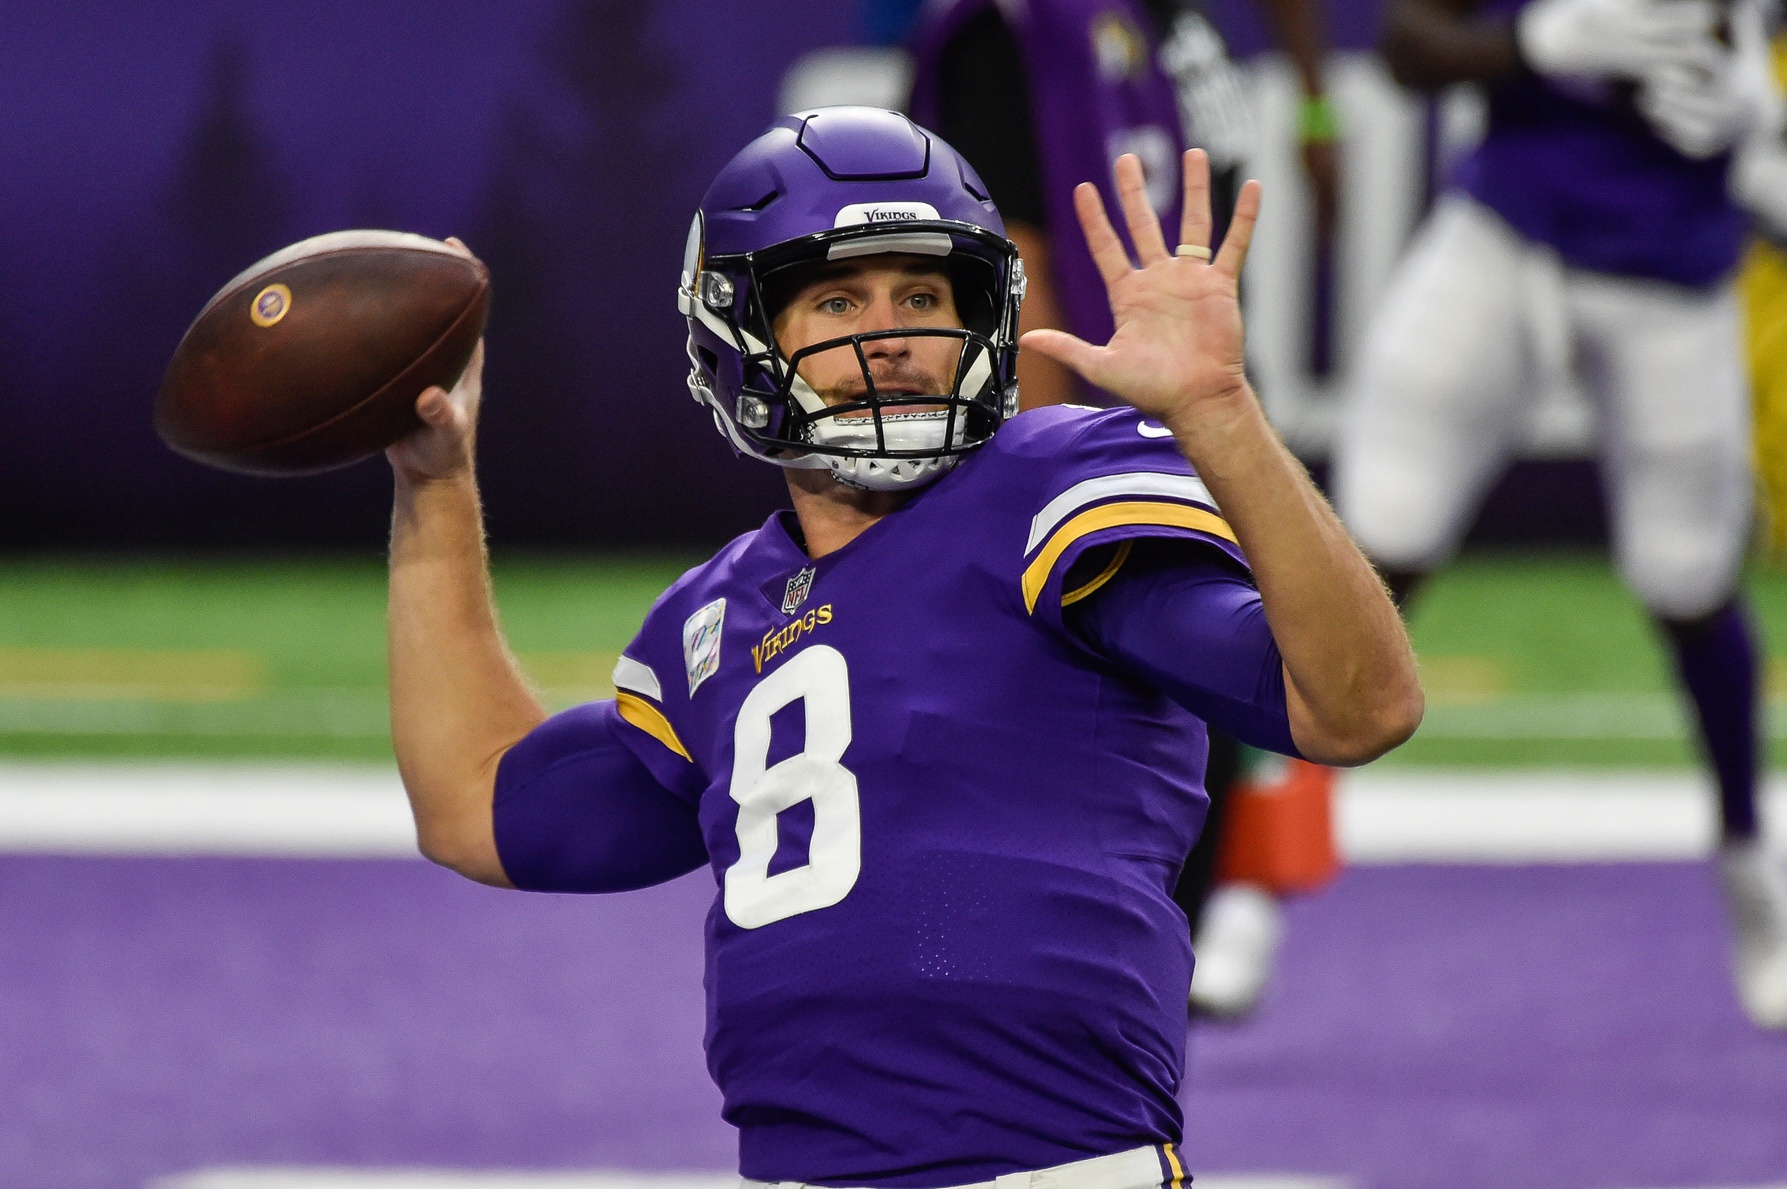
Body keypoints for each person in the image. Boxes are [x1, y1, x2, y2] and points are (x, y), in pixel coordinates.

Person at [387, 107, 1421, 1185]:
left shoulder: (1048, 485)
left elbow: (1356, 706)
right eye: (837, 298)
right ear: (740, 336)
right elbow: (474, 805)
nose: (888, 333)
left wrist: (1220, 415)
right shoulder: (713, 619)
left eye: (923, 296)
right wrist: (432, 481)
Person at [1331, 0, 1787, 1027]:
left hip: (1674, 263)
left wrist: (1755, 113)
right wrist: (1524, 50)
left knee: (1686, 579)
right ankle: (1253, 873)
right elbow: (1408, 47)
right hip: (1510, 229)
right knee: (1374, 544)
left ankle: (1750, 862)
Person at [908, 0, 1343, 1018]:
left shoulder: (1162, 15)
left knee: (1244, 664)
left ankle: (1196, 909)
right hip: (1104, 434)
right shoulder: (1010, 29)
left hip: (1174, 395)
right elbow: (1004, 269)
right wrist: (1042, 483)